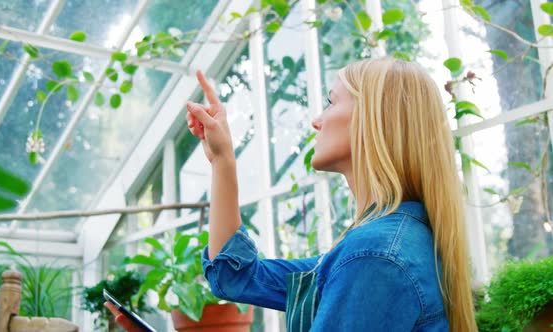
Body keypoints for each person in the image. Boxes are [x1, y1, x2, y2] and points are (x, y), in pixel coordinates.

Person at [107, 57, 478, 331]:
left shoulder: (375, 257)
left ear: (373, 120)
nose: (317, 119)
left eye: (332, 102)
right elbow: (235, 277)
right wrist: (222, 160)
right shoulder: (379, 246)